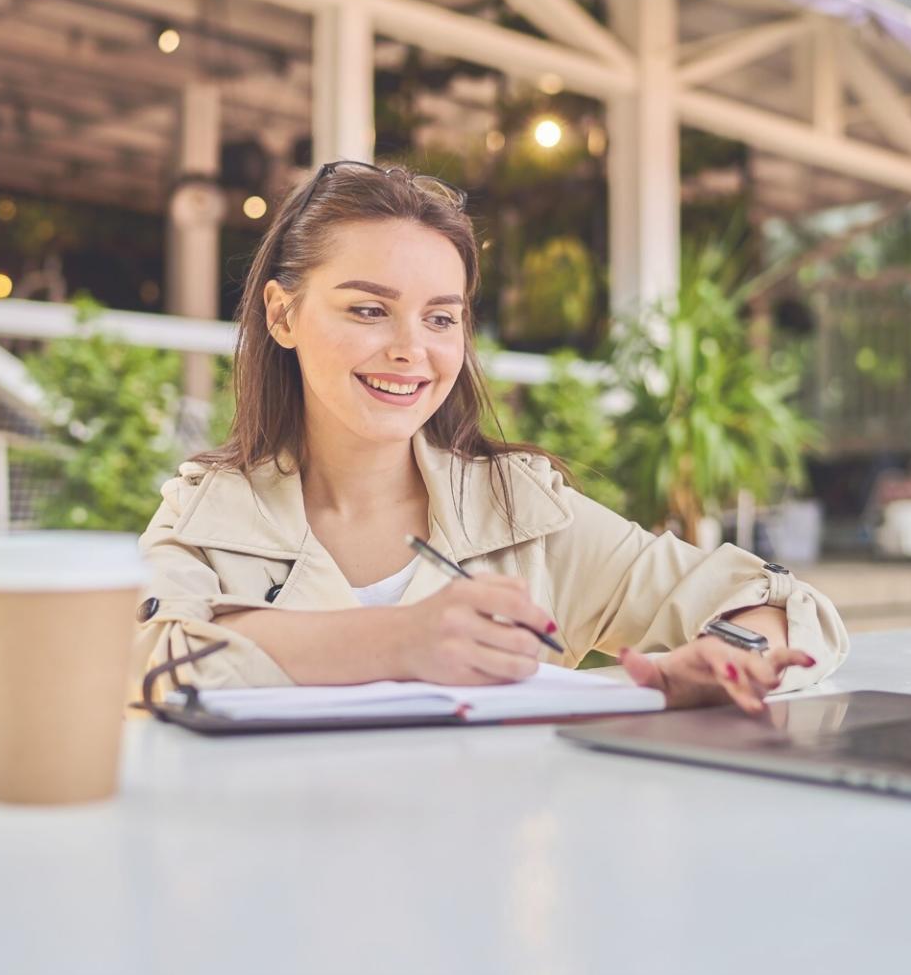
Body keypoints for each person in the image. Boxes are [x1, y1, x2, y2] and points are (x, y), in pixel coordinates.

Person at [137, 161, 849, 715]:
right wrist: (403, 640)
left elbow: (775, 598)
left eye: (441, 319)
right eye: (366, 309)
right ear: (282, 314)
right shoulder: (208, 512)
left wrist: (727, 656)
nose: (410, 349)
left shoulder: (518, 511)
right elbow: (146, 661)